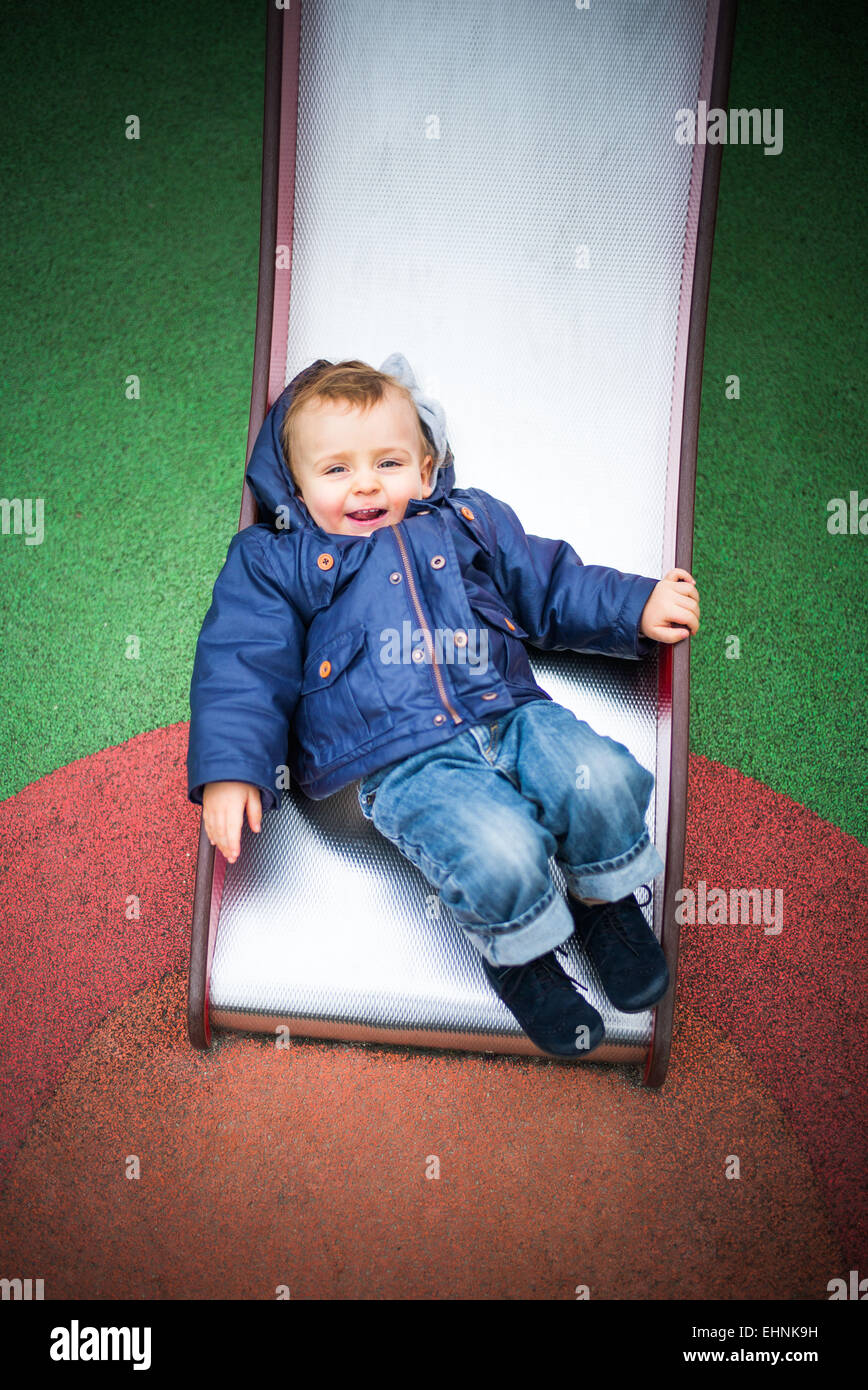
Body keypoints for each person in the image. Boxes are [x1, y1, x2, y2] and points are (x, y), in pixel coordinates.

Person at [187, 354, 700, 1057]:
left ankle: (601, 901)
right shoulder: (278, 561)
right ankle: (517, 957)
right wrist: (232, 766)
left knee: (604, 779)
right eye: (335, 470)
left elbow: (549, 583)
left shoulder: (467, 522)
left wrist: (635, 603)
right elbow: (244, 658)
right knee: (501, 849)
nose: (365, 482)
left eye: (388, 462)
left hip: (510, 710)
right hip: (401, 754)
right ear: (298, 493)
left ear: (426, 471)